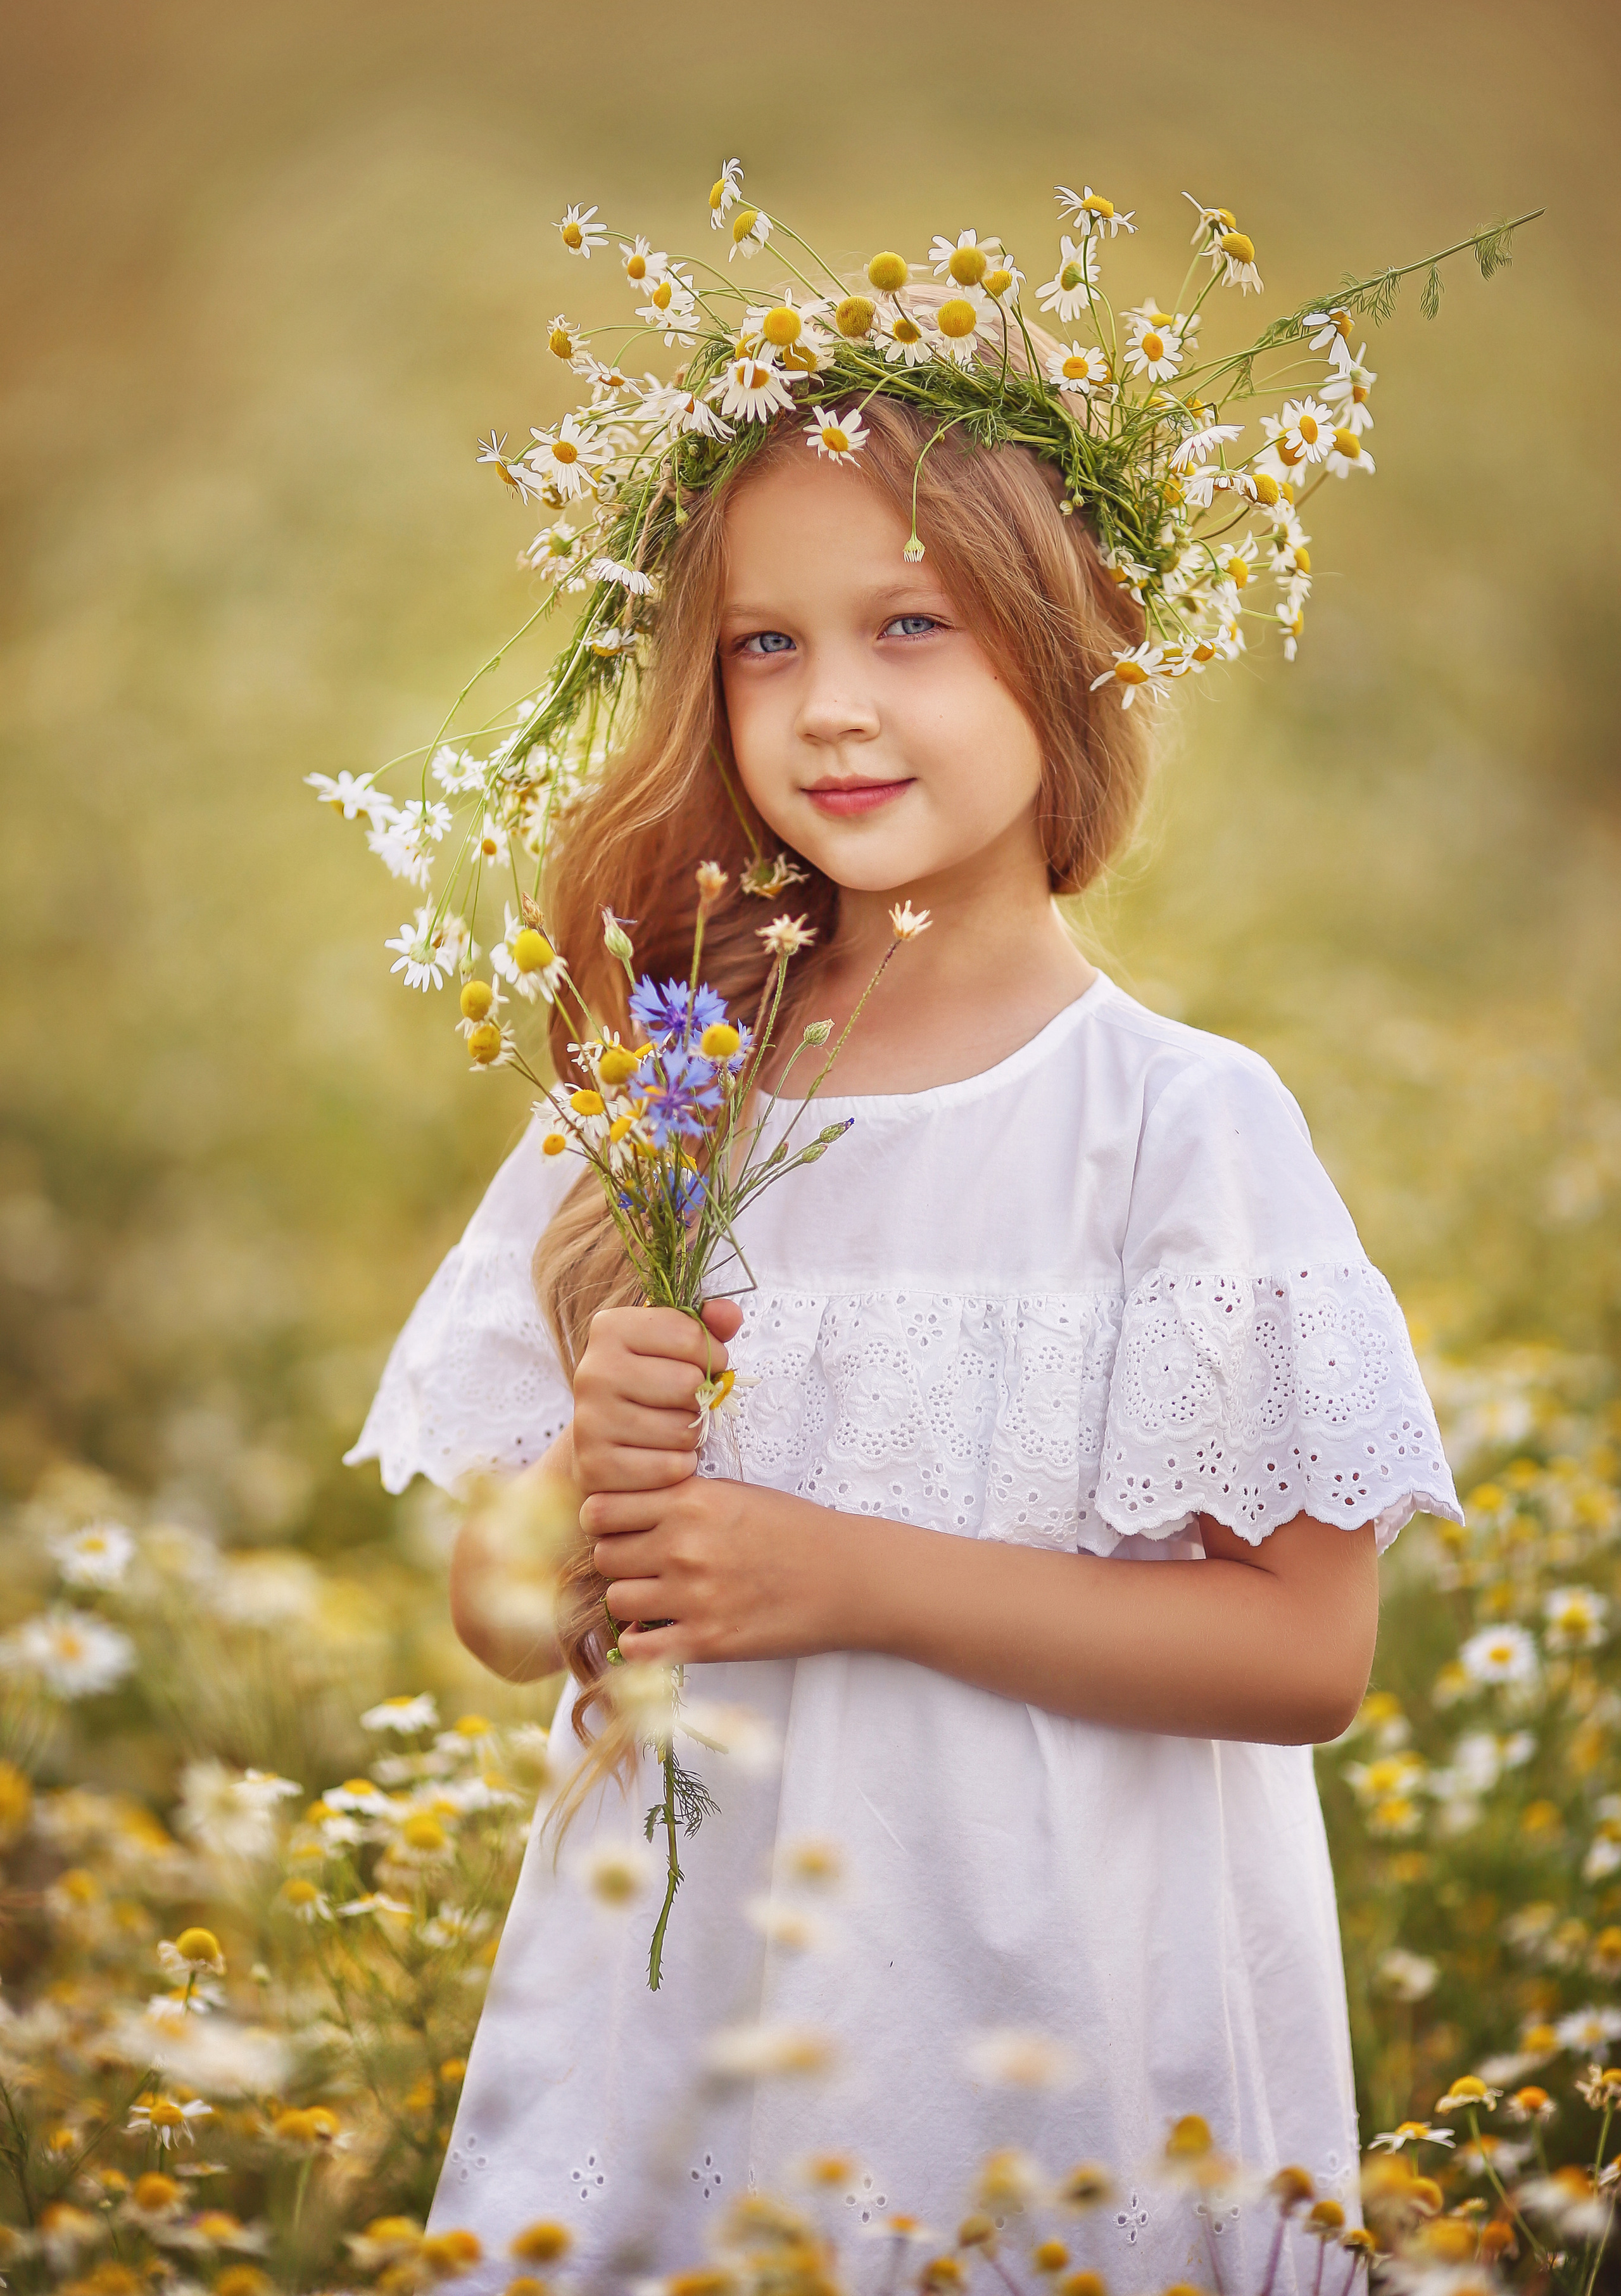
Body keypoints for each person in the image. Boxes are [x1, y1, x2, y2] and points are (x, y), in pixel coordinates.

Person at [348, 357, 1461, 2293]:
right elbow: (507, 1616)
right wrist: (586, 1480)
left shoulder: (1175, 1125)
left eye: (911, 627)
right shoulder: (669, 1079)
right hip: (692, 2012)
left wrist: (841, 1577)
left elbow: (1303, 1649)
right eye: (765, 643)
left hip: (1051, 2022)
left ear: (1074, 654)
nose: (832, 705)